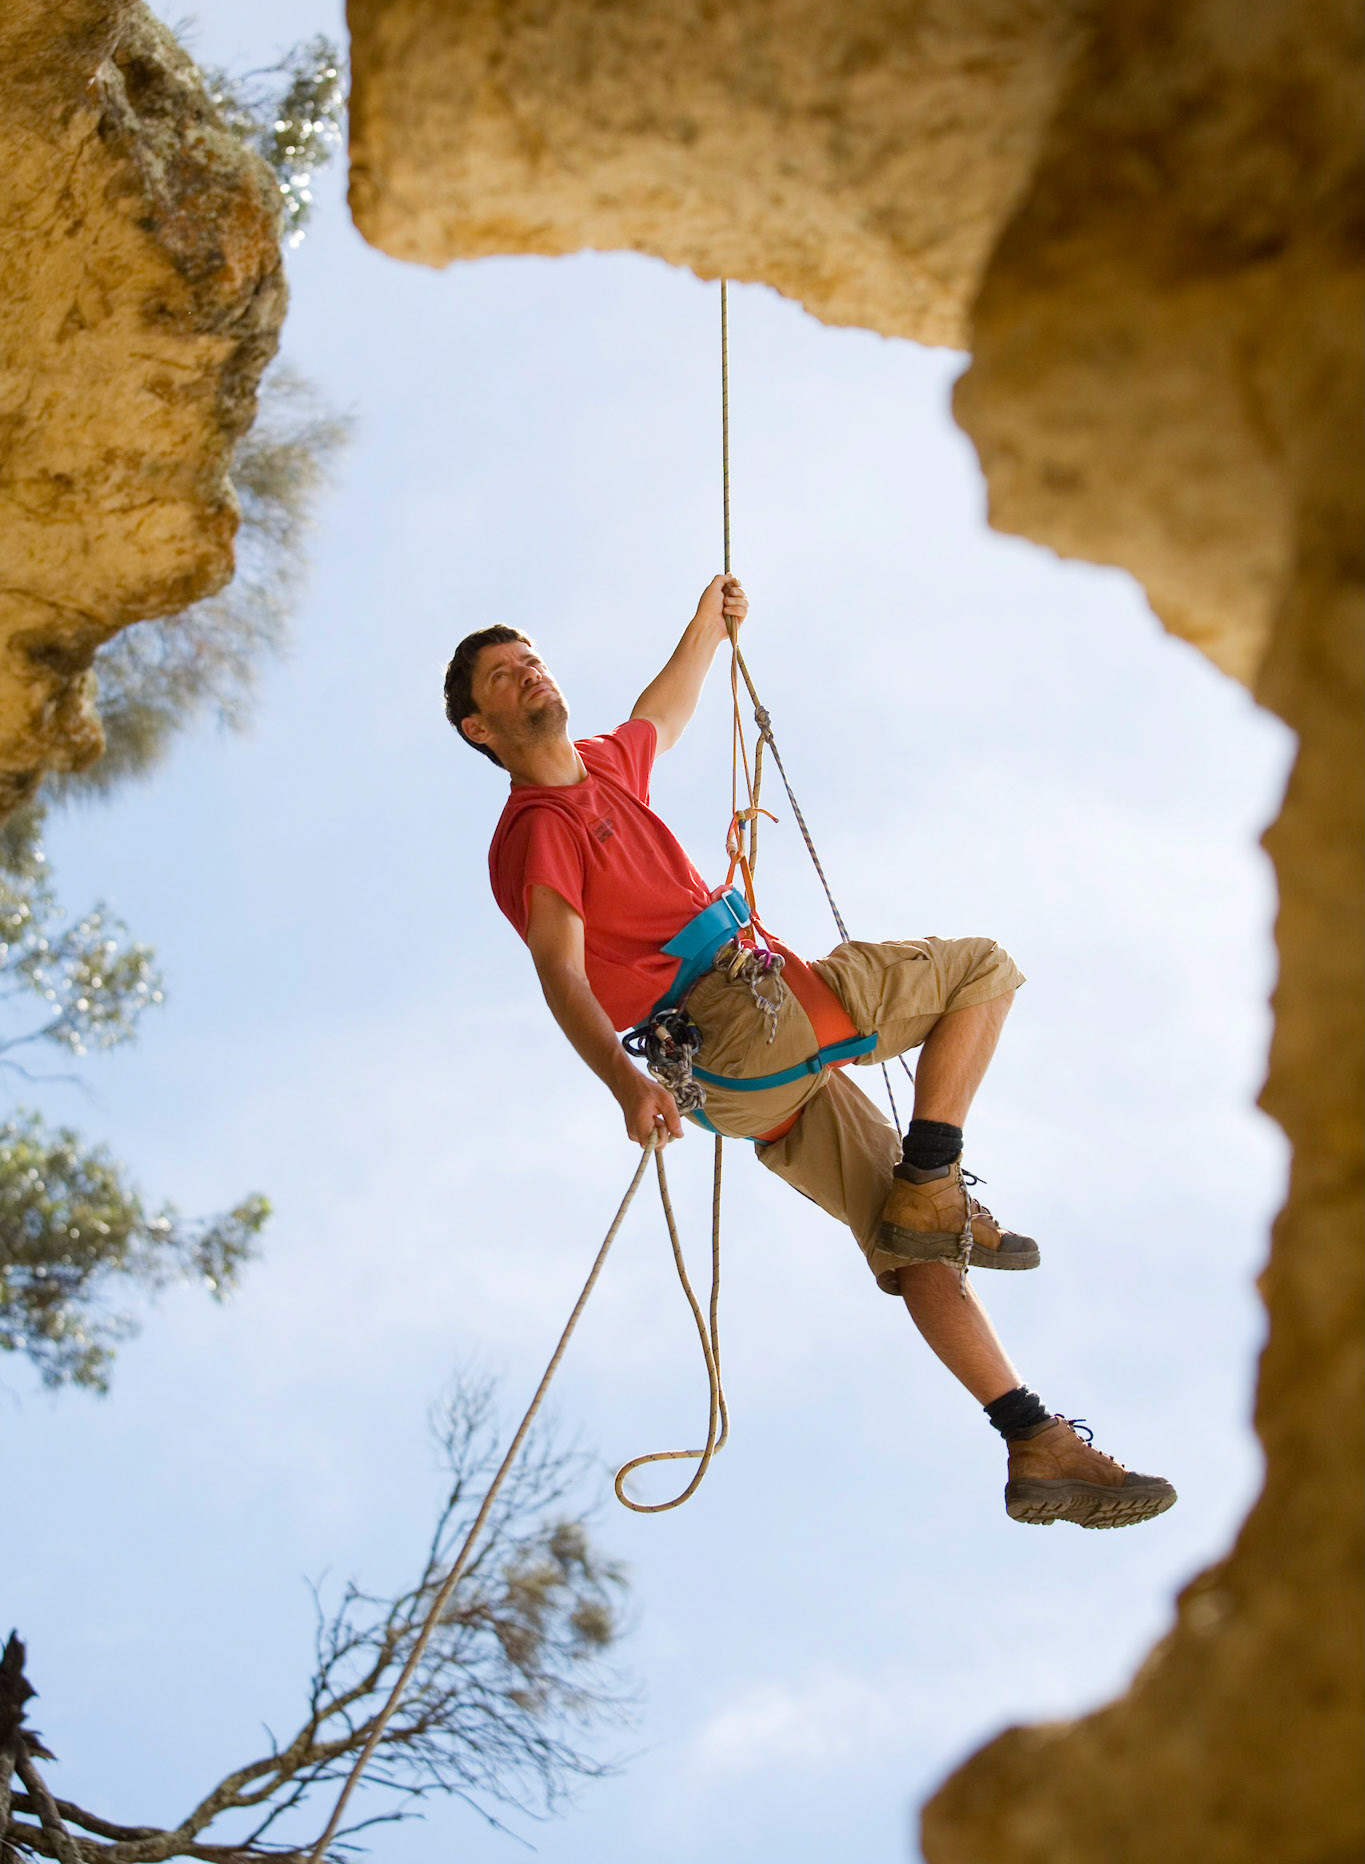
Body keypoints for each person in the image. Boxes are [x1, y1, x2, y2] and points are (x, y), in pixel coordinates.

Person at [444, 575, 1175, 1530]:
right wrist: (622, 1084)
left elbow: (661, 709)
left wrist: (709, 622)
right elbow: (558, 969)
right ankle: (934, 1172)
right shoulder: (537, 827)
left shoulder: (603, 766)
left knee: (915, 1253)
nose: (529, 672)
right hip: (739, 1020)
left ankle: (1034, 1441)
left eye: (531, 658)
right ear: (480, 729)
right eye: (504, 676)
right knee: (980, 973)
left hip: (738, 1082)